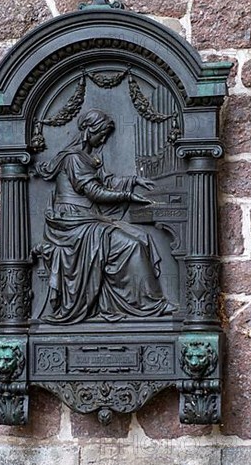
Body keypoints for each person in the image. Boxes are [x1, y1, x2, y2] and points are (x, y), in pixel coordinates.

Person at [32, 109, 173, 324]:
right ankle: (148, 304)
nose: (105, 139)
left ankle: (140, 302)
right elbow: (95, 192)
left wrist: (134, 180)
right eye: (102, 133)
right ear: (90, 131)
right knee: (131, 245)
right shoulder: (74, 159)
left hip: (87, 219)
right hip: (72, 224)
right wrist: (128, 195)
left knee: (142, 238)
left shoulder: (88, 158)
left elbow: (105, 181)